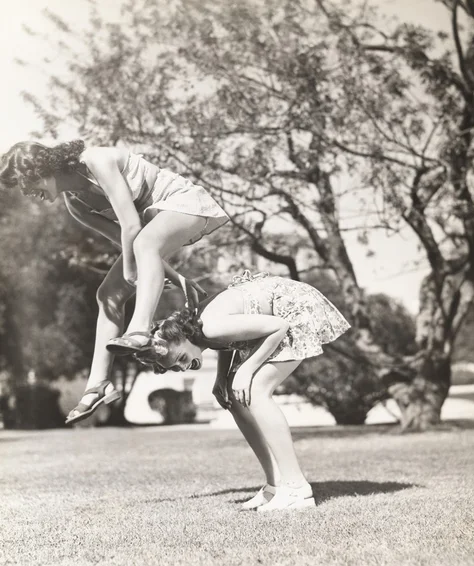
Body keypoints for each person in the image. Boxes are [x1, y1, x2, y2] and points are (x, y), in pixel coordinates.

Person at [0, 140, 229, 424]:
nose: (28, 192)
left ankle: (140, 330)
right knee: (107, 294)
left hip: (184, 203)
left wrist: (133, 270)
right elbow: (130, 246)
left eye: (26, 182)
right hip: (154, 231)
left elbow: (133, 228)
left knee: (144, 245)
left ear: (40, 168)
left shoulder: (96, 161)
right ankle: (97, 386)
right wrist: (178, 277)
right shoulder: (77, 206)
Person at [136, 270, 351, 511]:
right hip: (280, 317)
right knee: (234, 397)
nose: (184, 366)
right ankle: (275, 485)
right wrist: (221, 378)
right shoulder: (200, 331)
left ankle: (296, 488)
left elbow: (278, 327)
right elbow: (229, 343)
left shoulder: (210, 327)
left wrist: (247, 369)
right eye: (177, 367)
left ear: (180, 337)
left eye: (181, 358)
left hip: (295, 309)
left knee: (257, 391)